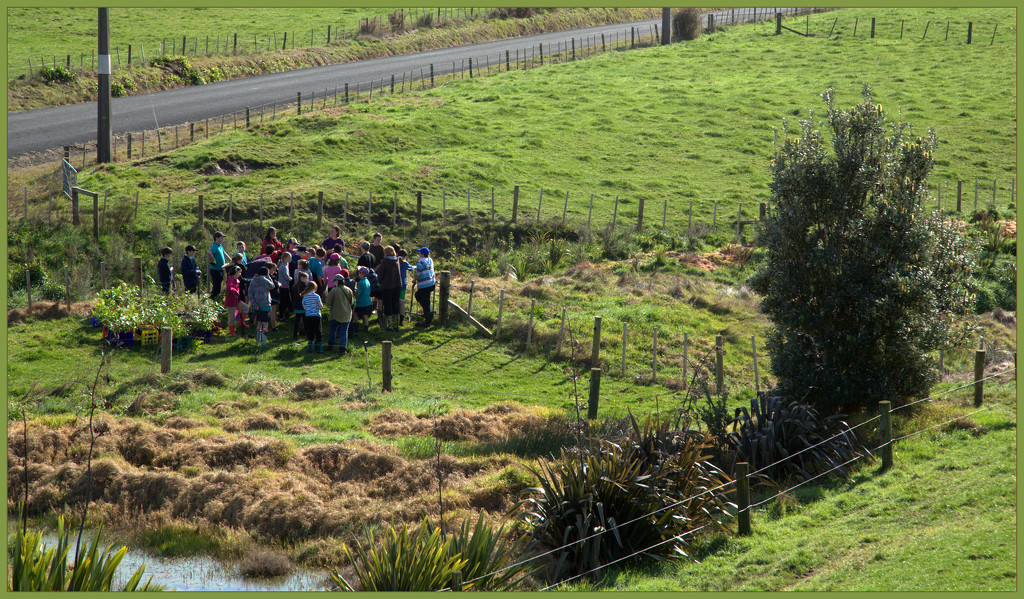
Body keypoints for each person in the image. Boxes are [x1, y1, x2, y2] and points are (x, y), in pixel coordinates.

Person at [325, 272, 354, 355]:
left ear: (337, 281)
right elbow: (351, 302)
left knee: (333, 330)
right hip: (346, 314)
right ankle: (342, 349)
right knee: (344, 332)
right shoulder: (349, 290)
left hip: (335, 314)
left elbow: (328, 303)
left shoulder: (334, 290)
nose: (333, 282)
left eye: (334, 281)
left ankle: (331, 345)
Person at [376, 246, 403, 331]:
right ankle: (396, 325)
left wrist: (379, 281)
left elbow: (381, 274)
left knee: (388, 305)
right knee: (396, 304)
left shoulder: (385, 262)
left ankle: (390, 326)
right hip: (397, 285)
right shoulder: (397, 261)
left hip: (387, 286)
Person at [248, 265, 275, 346]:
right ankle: (264, 341)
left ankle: (258, 340)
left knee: (259, 323)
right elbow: (272, 286)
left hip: (257, 304)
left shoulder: (253, 281)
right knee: (265, 323)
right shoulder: (265, 280)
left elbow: (250, 293)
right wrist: (269, 277)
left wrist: (254, 304)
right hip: (265, 304)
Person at [224, 265, 250, 337]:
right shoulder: (231, 279)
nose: (240, 274)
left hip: (236, 300)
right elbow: (229, 288)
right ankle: (231, 331)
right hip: (231, 301)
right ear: (235, 272)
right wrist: (235, 291)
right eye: (239, 272)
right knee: (231, 317)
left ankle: (241, 322)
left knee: (246, 307)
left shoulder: (236, 280)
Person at [414, 247, 436, 326]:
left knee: (425, 301)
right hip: (431, 283)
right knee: (420, 297)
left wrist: (414, 280)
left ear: (422, 254)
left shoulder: (421, 261)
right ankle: (427, 313)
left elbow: (419, 272)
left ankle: (427, 320)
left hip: (424, 285)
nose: (419, 254)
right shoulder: (430, 260)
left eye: (420, 253)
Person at [300, 281, 324, 353]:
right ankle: (319, 348)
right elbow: (321, 306)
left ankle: (309, 347)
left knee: (310, 331)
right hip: (316, 315)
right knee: (318, 331)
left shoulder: (305, 297)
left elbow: (304, 307)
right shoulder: (317, 296)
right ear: (315, 288)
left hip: (308, 316)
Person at [207, 231, 228, 299]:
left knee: (218, 286)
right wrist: (213, 260)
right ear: (217, 238)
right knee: (216, 287)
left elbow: (224, 254)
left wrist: (231, 260)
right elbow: (209, 252)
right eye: (221, 237)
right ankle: (213, 299)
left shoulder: (220, 246)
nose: (223, 239)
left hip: (220, 269)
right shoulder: (215, 246)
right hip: (216, 270)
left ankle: (214, 299)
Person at [397, 248, 415, 324]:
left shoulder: (394, 261)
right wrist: (414, 267)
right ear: (404, 256)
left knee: (394, 301)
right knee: (402, 302)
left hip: (394, 284)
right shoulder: (404, 262)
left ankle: (394, 319)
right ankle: (401, 320)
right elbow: (411, 268)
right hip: (403, 284)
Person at [354, 266, 374, 333]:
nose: (358, 274)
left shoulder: (361, 282)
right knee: (365, 315)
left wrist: (354, 294)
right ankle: (366, 328)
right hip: (368, 301)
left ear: (362, 274)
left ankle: (356, 326)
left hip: (361, 302)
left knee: (354, 314)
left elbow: (358, 293)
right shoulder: (367, 281)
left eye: (359, 273)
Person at [291, 271, 310, 340]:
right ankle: (307, 335)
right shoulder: (304, 286)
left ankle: (295, 335)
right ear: (302, 278)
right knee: (305, 321)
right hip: (303, 306)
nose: (307, 280)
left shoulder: (295, 286)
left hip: (296, 305)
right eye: (306, 278)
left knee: (297, 321)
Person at [277, 249, 293, 322]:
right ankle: (281, 315)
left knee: (287, 301)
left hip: (286, 285)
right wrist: (291, 278)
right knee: (285, 301)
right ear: (285, 258)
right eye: (289, 258)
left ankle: (282, 314)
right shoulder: (283, 266)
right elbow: (286, 277)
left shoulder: (286, 264)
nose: (290, 259)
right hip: (283, 286)